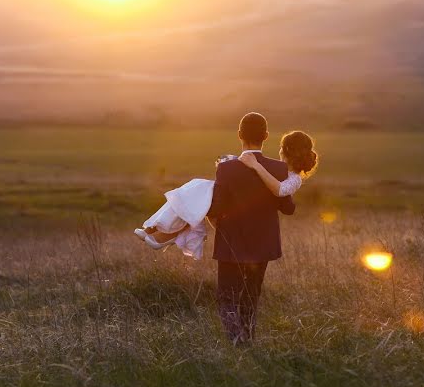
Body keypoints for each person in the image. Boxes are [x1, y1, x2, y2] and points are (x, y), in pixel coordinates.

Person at [132, 112, 318, 344]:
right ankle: (247, 341)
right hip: (263, 246)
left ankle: (236, 341)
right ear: (266, 136)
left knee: (226, 298)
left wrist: (209, 217)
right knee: (251, 296)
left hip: (232, 242)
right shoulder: (279, 170)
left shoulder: (227, 168)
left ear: (239, 135)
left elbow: (217, 207)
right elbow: (287, 206)